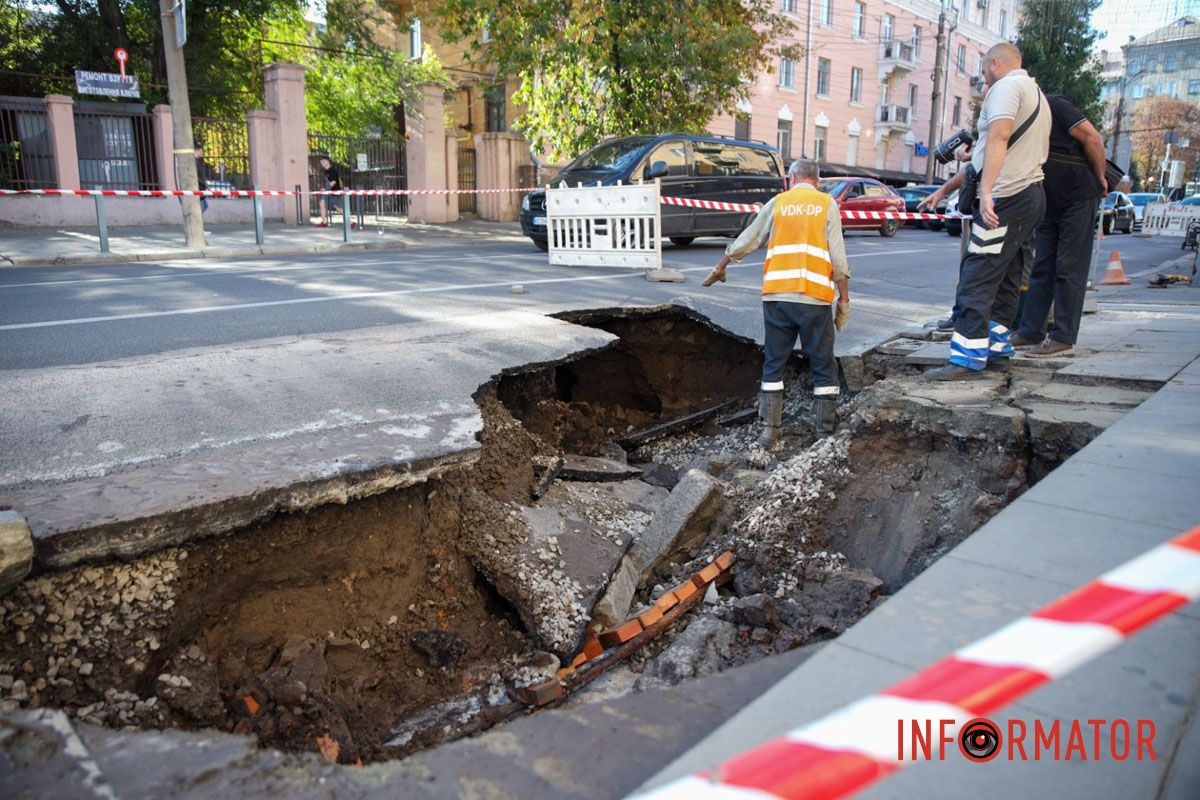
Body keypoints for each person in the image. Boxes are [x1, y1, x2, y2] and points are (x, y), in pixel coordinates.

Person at [917, 42, 1050, 380]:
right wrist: (949, 185)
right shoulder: (1035, 93)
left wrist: (987, 193)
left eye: (984, 68)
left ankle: (967, 359)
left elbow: (999, 139)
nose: (983, 76)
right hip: (1030, 195)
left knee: (976, 276)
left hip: (1006, 197)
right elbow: (996, 150)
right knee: (1006, 279)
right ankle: (996, 350)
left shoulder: (1005, 88)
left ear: (995, 63)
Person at [703, 158, 851, 447]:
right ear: (817, 181)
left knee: (774, 363)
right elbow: (838, 259)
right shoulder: (827, 204)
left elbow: (749, 238)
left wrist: (721, 265)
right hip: (814, 299)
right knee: (823, 364)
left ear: (792, 178)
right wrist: (843, 299)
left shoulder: (779, 202)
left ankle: (770, 433)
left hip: (777, 297)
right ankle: (824, 434)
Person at [1010, 94, 1108, 357]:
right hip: (1048, 201)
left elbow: (1093, 138)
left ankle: (1062, 337)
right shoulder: (1015, 117)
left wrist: (1100, 178)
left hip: (1078, 196)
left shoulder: (1054, 105)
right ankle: (1030, 331)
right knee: (1042, 268)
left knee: (1069, 268)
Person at [316, 156, 350, 228]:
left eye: (323, 161)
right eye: (321, 162)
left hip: (334, 191)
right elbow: (328, 181)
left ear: (328, 161)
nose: (322, 163)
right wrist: (325, 189)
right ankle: (323, 222)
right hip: (328, 192)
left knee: (338, 208)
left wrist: (326, 189)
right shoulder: (326, 171)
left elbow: (334, 182)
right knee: (322, 203)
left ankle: (350, 222)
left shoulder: (332, 170)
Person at [193, 145, 212, 214]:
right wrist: (204, 183)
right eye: (201, 151)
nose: (202, 153)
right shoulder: (195, 161)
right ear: (197, 150)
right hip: (198, 188)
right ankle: (197, 220)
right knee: (201, 208)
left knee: (204, 206)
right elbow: (195, 176)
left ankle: (198, 219)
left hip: (200, 188)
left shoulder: (197, 161)